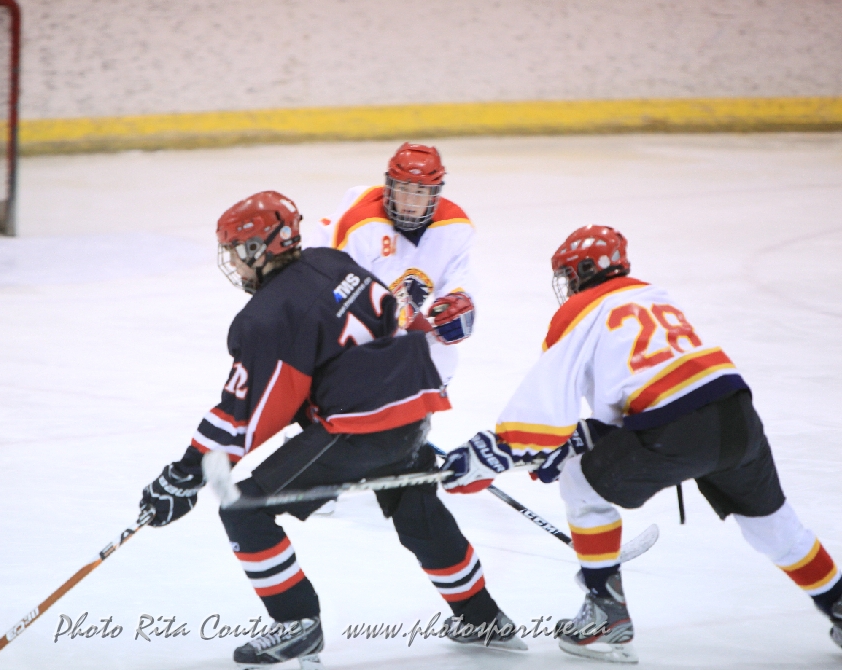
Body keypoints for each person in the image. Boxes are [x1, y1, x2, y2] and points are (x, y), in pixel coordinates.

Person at [139, 191, 527, 669]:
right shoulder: (331, 261)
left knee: (245, 510)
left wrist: (186, 472)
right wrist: (395, 405)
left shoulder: (268, 317)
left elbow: (249, 412)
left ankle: (297, 624)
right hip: (411, 408)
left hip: (358, 428)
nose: (234, 264)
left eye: (237, 252)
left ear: (259, 249)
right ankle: (482, 617)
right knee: (415, 504)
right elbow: (396, 319)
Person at [441, 225, 842, 663]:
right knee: (773, 524)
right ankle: (837, 602)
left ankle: (606, 616)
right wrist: (569, 442)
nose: (567, 286)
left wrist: (492, 453)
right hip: (736, 414)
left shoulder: (580, 310)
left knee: (580, 481)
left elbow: (546, 404)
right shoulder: (655, 296)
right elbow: (642, 393)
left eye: (569, 275)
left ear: (584, 271)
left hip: (675, 429)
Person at [309, 142, 475, 385]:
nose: (409, 201)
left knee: (441, 355)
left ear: (435, 194)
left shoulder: (454, 227)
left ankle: (416, 409)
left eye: (420, 192)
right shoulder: (362, 227)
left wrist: (458, 305)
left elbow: (458, 281)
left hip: (392, 315)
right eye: (403, 189)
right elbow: (337, 302)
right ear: (390, 187)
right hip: (328, 315)